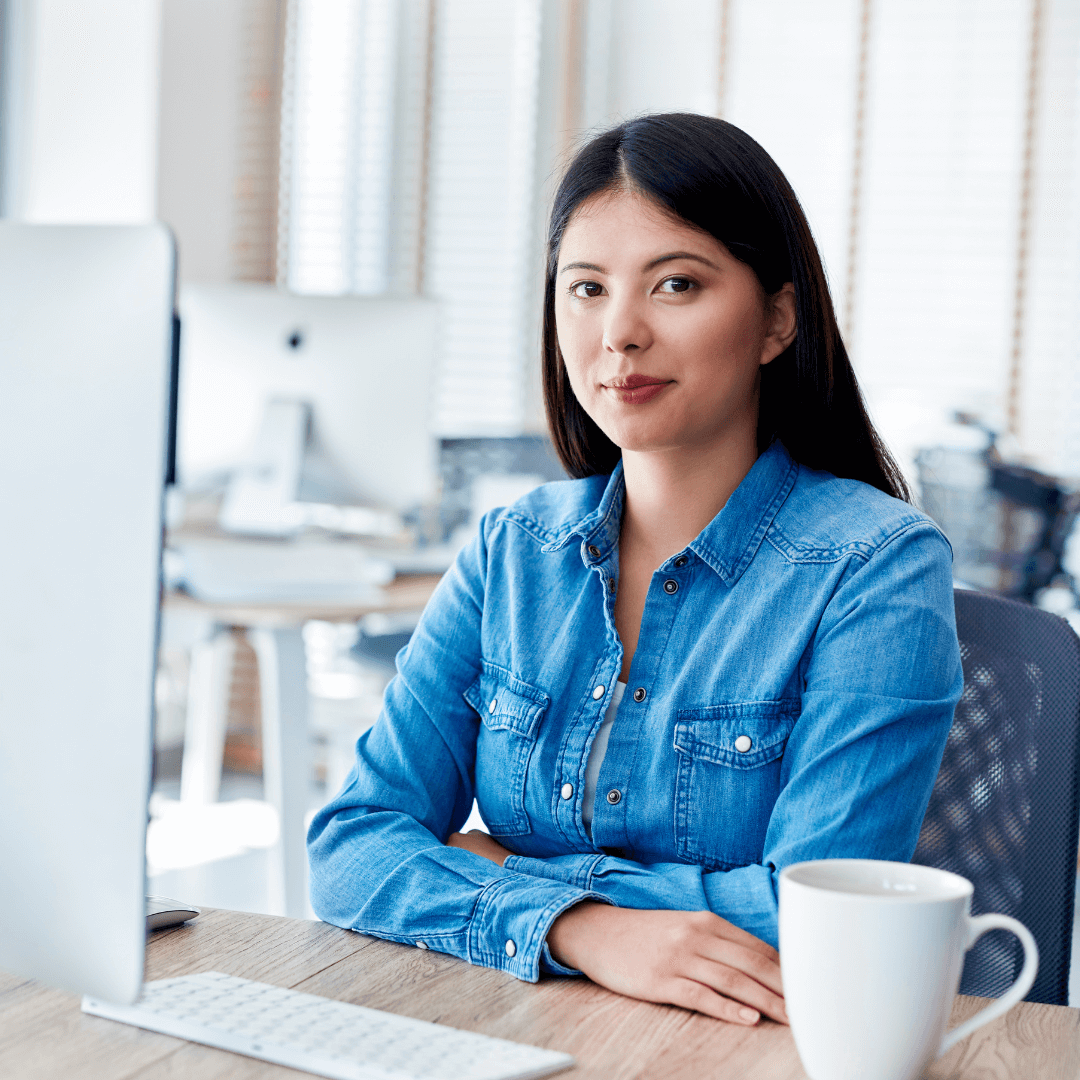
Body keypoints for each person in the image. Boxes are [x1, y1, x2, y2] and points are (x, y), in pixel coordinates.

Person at [307, 113, 963, 1028]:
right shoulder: (511, 553)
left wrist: (506, 871)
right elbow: (351, 846)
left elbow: (818, 919)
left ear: (777, 318)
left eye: (677, 284)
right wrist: (580, 928)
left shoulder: (876, 568)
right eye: (585, 288)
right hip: (508, 1024)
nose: (619, 333)